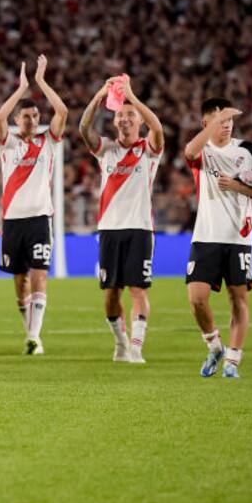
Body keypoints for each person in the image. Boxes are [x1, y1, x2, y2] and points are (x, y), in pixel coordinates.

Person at [183, 97, 252, 379]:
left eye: (229, 121)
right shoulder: (204, 151)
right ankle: (214, 346)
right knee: (197, 298)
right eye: (220, 121)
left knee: (239, 299)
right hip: (206, 235)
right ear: (206, 123)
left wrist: (236, 185)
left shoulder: (248, 150)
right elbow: (188, 152)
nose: (226, 126)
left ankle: (233, 360)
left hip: (239, 237)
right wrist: (212, 125)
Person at [79, 76, 165, 363]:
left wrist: (132, 96)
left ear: (138, 119)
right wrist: (101, 94)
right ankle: (121, 342)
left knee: (139, 289)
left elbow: (157, 128)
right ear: (114, 121)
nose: (125, 119)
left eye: (130, 115)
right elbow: (83, 128)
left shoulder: (149, 151)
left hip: (140, 229)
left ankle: (137, 348)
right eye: (120, 115)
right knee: (111, 293)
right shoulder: (106, 150)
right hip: (109, 229)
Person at [0, 56, 68, 355]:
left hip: (39, 219)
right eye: (26, 116)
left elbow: (62, 111)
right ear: (17, 120)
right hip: (13, 221)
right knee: (20, 280)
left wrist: (41, 82)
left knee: (39, 274)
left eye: (35, 116)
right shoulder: (8, 143)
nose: (32, 120)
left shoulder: (48, 141)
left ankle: (35, 337)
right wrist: (21, 88)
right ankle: (30, 333)